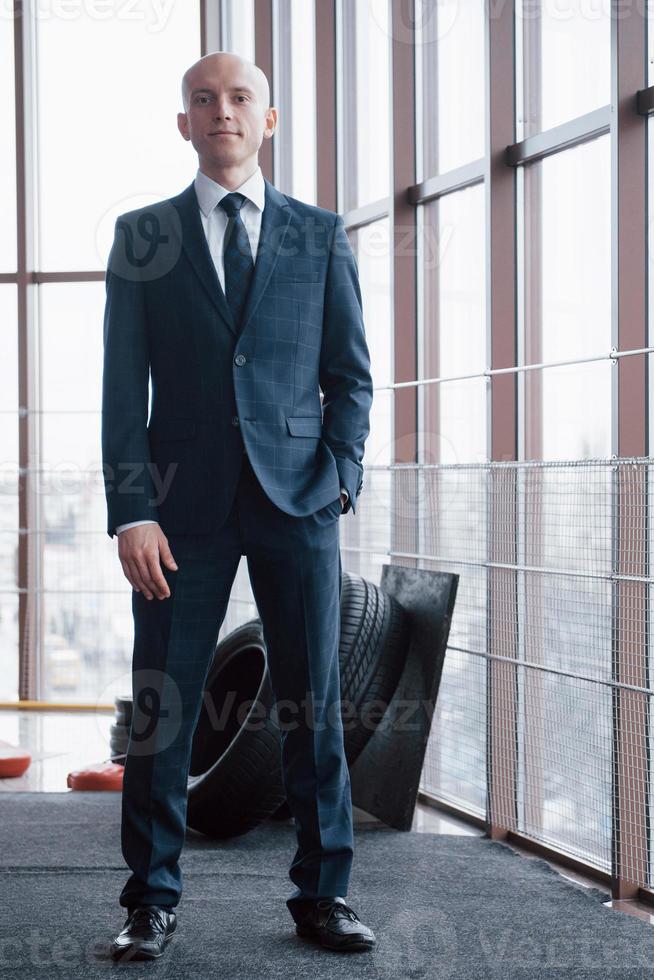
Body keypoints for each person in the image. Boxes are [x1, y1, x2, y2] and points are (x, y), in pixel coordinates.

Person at [101, 50, 375, 960]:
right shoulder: (143, 236)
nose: (223, 111)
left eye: (240, 98)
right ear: (185, 122)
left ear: (268, 118)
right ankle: (150, 900)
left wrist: (339, 477)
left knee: (313, 705)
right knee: (163, 708)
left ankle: (323, 897)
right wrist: (131, 509)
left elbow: (352, 379)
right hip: (180, 516)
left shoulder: (319, 235)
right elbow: (119, 393)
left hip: (300, 502)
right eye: (204, 100)